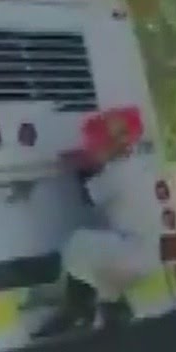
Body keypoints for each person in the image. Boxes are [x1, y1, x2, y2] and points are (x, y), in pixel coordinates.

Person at [35, 109, 149, 338]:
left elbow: (89, 196)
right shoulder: (142, 166)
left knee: (79, 242)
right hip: (147, 253)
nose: (92, 148)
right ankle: (113, 308)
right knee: (101, 255)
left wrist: (76, 164)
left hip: (133, 253)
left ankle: (78, 309)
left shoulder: (118, 172)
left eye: (96, 144)